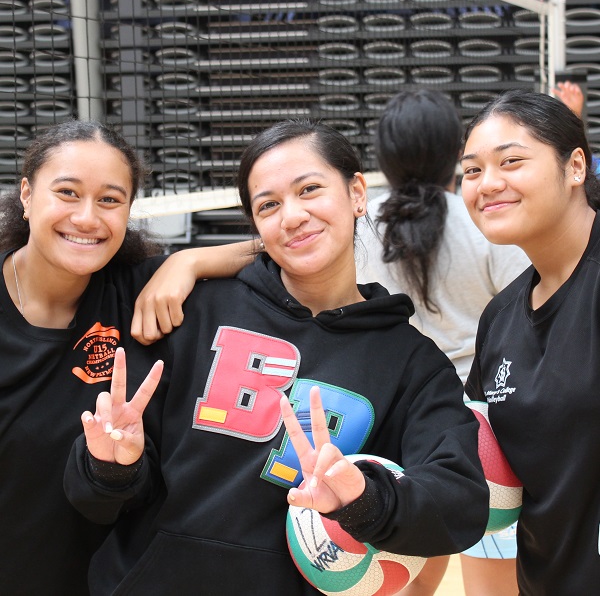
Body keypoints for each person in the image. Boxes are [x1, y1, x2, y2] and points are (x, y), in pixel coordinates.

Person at [65, 119, 489, 596]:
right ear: (256, 225)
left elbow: (460, 505)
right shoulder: (192, 313)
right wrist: (111, 467)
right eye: (269, 205)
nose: (291, 216)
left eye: (310, 189)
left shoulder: (412, 364)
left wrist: (365, 500)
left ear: (356, 193)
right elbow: (96, 501)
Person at [0, 120, 252, 596]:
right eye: (68, 193)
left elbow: (280, 248)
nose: (88, 218)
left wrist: (187, 261)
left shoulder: (134, 289)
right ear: (27, 195)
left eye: (110, 200)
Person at [355, 88, 530, 596]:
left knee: (409, 574)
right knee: (491, 583)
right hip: (485, 433)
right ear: (457, 151)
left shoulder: (357, 227)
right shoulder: (490, 222)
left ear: (384, 155)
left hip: (395, 424)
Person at [460, 89, 600, 596]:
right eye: (472, 171)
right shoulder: (499, 319)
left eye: (512, 161)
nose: (488, 184)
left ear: (575, 167)